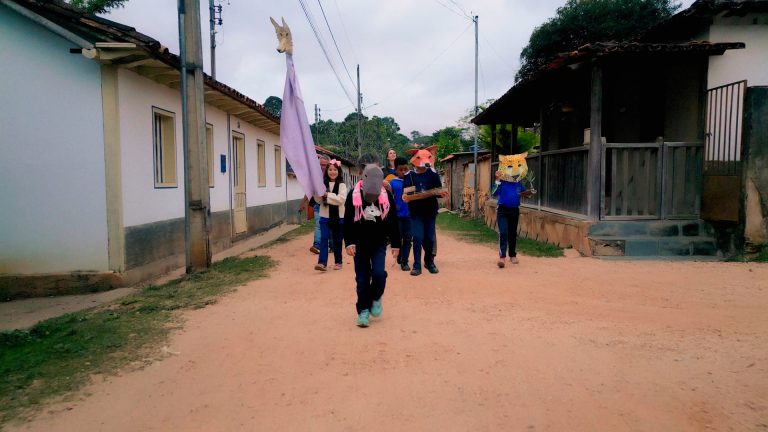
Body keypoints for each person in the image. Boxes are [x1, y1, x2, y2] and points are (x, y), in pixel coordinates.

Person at [344, 163, 401, 328]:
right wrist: (349, 242)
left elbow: (393, 221)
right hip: (359, 244)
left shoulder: (386, 195)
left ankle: (376, 297)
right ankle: (363, 311)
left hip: (378, 243)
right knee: (362, 279)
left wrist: (396, 244)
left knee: (378, 274)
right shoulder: (353, 195)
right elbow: (348, 220)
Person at [402, 146, 446, 276]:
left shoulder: (433, 174)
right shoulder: (409, 176)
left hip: (430, 212)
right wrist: (406, 197)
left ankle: (429, 262)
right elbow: (406, 193)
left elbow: (438, 191)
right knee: (417, 237)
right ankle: (417, 265)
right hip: (416, 213)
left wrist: (441, 194)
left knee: (429, 238)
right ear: (414, 159)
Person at [492, 170, 534, 267]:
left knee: (512, 233)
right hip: (502, 210)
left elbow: (525, 194)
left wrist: (530, 192)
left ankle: (512, 255)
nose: (513, 175)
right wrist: (497, 179)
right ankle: (502, 257)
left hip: (514, 210)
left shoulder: (518, 183)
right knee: (503, 232)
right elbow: (494, 193)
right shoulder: (502, 182)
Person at [314, 159, 347, 271]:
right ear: (326, 171)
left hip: (339, 217)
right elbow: (319, 201)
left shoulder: (342, 185)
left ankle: (338, 261)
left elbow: (341, 200)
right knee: (324, 238)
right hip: (325, 216)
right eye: (330, 170)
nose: (332, 172)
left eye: (335, 170)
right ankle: (322, 263)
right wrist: (317, 193)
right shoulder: (322, 185)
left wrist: (327, 195)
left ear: (339, 171)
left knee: (337, 240)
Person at [388, 157, 412, 272]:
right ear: (396, 170)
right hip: (397, 216)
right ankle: (400, 255)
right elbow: (389, 198)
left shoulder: (412, 181)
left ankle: (404, 261)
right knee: (398, 238)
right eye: (400, 170)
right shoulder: (392, 183)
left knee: (408, 239)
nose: (403, 172)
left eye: (405, 169)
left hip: (410, 215)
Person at [310, 155, 329, 254]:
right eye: (321, 164)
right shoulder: (315, 176)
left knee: (329, 225)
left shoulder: (333, 175)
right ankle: (316, 245)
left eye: (325, 165)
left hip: (329, 205)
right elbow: (310, 189)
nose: (323, 167)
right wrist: (303, 202)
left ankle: (329, 245)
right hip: (317, 204)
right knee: (318, 225)